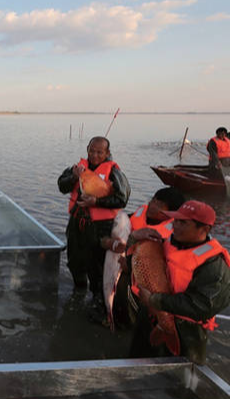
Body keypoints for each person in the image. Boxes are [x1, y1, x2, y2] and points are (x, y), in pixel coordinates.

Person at [130, 200, 230, 364]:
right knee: (136, 366)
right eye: (175, 220)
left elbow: (204, 305)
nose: (175, 225)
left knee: (178, 381)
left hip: (186, 332)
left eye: (183, 222)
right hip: (151, 317)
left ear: (204, 229)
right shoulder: (166, 242)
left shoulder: (214, 265)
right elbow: (135, 263)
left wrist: (155, 300)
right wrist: (133, 238)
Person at [57, 136, 130, 320]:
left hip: (99, 226)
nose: (95, 155)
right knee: (74, 259)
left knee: (97, 265)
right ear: (87, 149)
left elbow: (122, 199)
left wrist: (96, 201)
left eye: (99, 152)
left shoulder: (114, 172)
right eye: (92, 150)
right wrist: (74, 176)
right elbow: (62, 186)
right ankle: (78, 289)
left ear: (107, 153)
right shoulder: (78, 167)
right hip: (76, 223)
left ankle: (98, 302)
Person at [102, 187, 185, 328]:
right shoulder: (138, 214)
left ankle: (128, 322)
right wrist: (108, 242)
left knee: (126, 293)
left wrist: (129, 265)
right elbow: (110, 232)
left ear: (171, 213)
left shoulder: (170, 236)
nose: (153, 205)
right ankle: (111, 313)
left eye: (159, 205)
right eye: (153, 200)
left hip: (141, 277)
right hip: (123, 259)